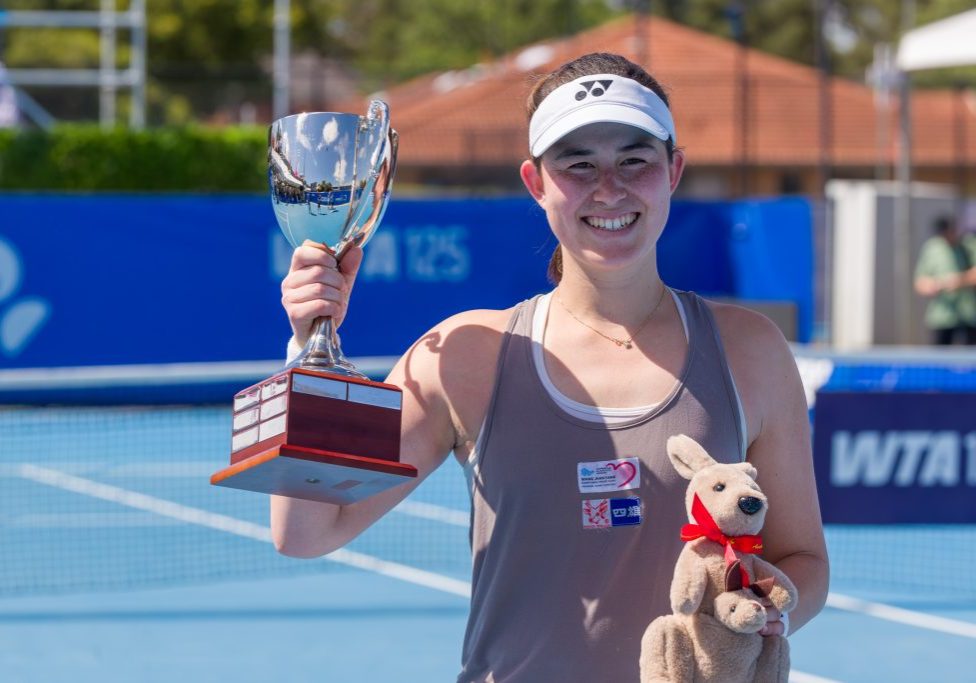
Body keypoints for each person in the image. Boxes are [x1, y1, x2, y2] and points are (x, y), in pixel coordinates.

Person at [272, 52, 829, 681]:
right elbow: (308, 528)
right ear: (536, 183)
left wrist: (770, 605)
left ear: (673, 171)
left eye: (634, 160)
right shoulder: (466, 353)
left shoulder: (750, 349)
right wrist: (307, 350)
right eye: (578, 164)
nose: (608, 188)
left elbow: (802, 557)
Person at [913, 214, 976, 345]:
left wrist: (959, 281)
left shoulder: (968, 245)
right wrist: (932, 286)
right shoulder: (932, 248)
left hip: (969, 315)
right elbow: (919, 282)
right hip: (942, 316)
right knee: (940, 358)